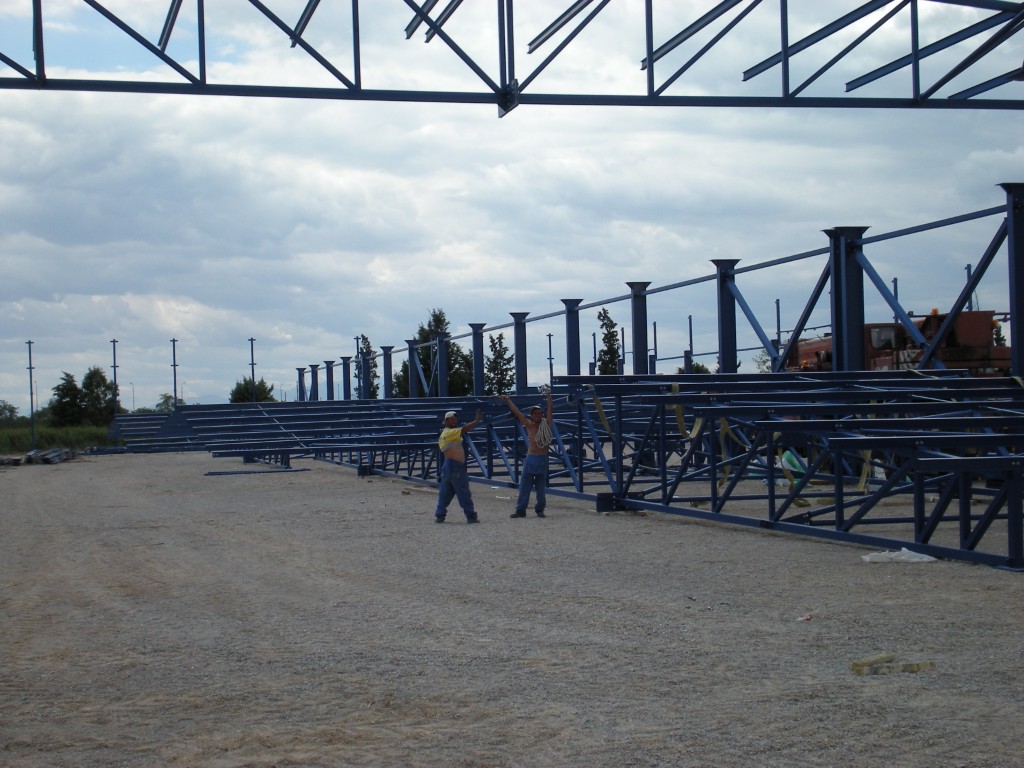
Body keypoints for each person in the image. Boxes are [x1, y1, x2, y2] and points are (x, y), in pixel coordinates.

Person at [499, 388, 554, 518]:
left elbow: (550, 410)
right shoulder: (529, 425)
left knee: (541, 489)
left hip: (542, 458)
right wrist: (508, 400)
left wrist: (548, 395)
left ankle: (539, 509)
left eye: (539, 413)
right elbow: (517, 412)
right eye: (535, 413)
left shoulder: (546, 424)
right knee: (524, 486)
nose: (537, 415)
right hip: (531, 458)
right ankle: (521, 510)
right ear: (531, 415)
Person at [434, 408, 483, 524]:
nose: (454, 421)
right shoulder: (450, 433)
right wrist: (476, 421)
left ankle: (440, 515)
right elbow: (464, 429)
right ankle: (471, 516)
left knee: (445, 493)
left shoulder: (445, 433)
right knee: (463, 492)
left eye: (455, 420)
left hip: (448, 466)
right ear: (446, 421)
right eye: (451, 420)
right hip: (455, 466)